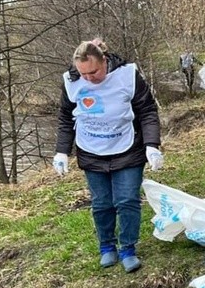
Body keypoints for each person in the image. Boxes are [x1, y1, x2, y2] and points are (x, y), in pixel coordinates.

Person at [53, 39, 163, 273]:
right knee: (101, 203)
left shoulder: (127, 76)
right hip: (91, 150)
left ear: (105, 61)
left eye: (94, 71)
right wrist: (62, 151)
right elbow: (66, 117)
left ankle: (128, 248)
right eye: (84, 74)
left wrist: (152, 144)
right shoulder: (71, 82)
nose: (89, 78)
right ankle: (107, 247)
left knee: (127, 200)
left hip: (127, 147)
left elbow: (147, 110)